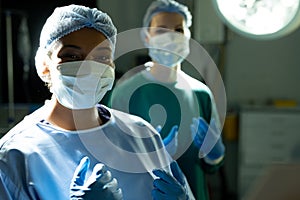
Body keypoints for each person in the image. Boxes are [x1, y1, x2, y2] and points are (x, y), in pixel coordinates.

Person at [0, 4, 196, 200]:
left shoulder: (142, 134)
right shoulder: (15, 156)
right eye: (72, 56)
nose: (88, 68)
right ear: (44, 65)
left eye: (101, 57)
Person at [108, 0, 226, 199]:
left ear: (188, 37)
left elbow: (210, 166)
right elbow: (113, 157)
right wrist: (150, 159)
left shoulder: (201, 93)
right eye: (161, 30)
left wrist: (215, 155)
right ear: (147, 37)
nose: (171, 36)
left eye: (178, 30)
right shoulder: (125, 92)